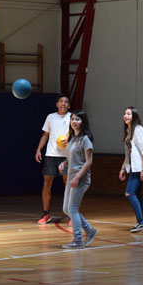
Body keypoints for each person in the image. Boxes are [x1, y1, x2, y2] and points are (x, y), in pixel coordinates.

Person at [58, 110, 98, 249]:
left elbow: (88, 162)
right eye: (73, 119)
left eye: (77, 119)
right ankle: (89, 230)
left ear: (83, 122)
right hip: (71, 178)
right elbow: (73, 158)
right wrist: (65, 163)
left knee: (72, 209)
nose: (74, 122)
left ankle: (78, 240)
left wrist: (77, 177)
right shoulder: (72, 138)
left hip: (80, 178)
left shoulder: (85, 139)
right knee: (66, 209)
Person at [34, 95, 71, 225]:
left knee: (68, 184)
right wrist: (39, 149)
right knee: (47, 184)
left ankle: (71, 214)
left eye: (66, 102)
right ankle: (46, 213)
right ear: (57, 104)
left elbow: (78, 134)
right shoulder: (50, 117)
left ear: (69, 105)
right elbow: (45, 135)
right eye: (61, 101)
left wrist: (70, 138)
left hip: (66, 156)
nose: (63, 104)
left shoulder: (72, 117)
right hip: (51, 154)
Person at [119, 107, 143, 232]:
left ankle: (141, 222)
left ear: (135, 116)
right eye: (125, 113)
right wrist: (123, 168)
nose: (126, 116)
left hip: (139, 168)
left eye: (129, 114)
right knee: (137, 194)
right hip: (133, 167)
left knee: (130, 193)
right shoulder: (129, 130)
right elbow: (129, 153)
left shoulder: (138, 130)